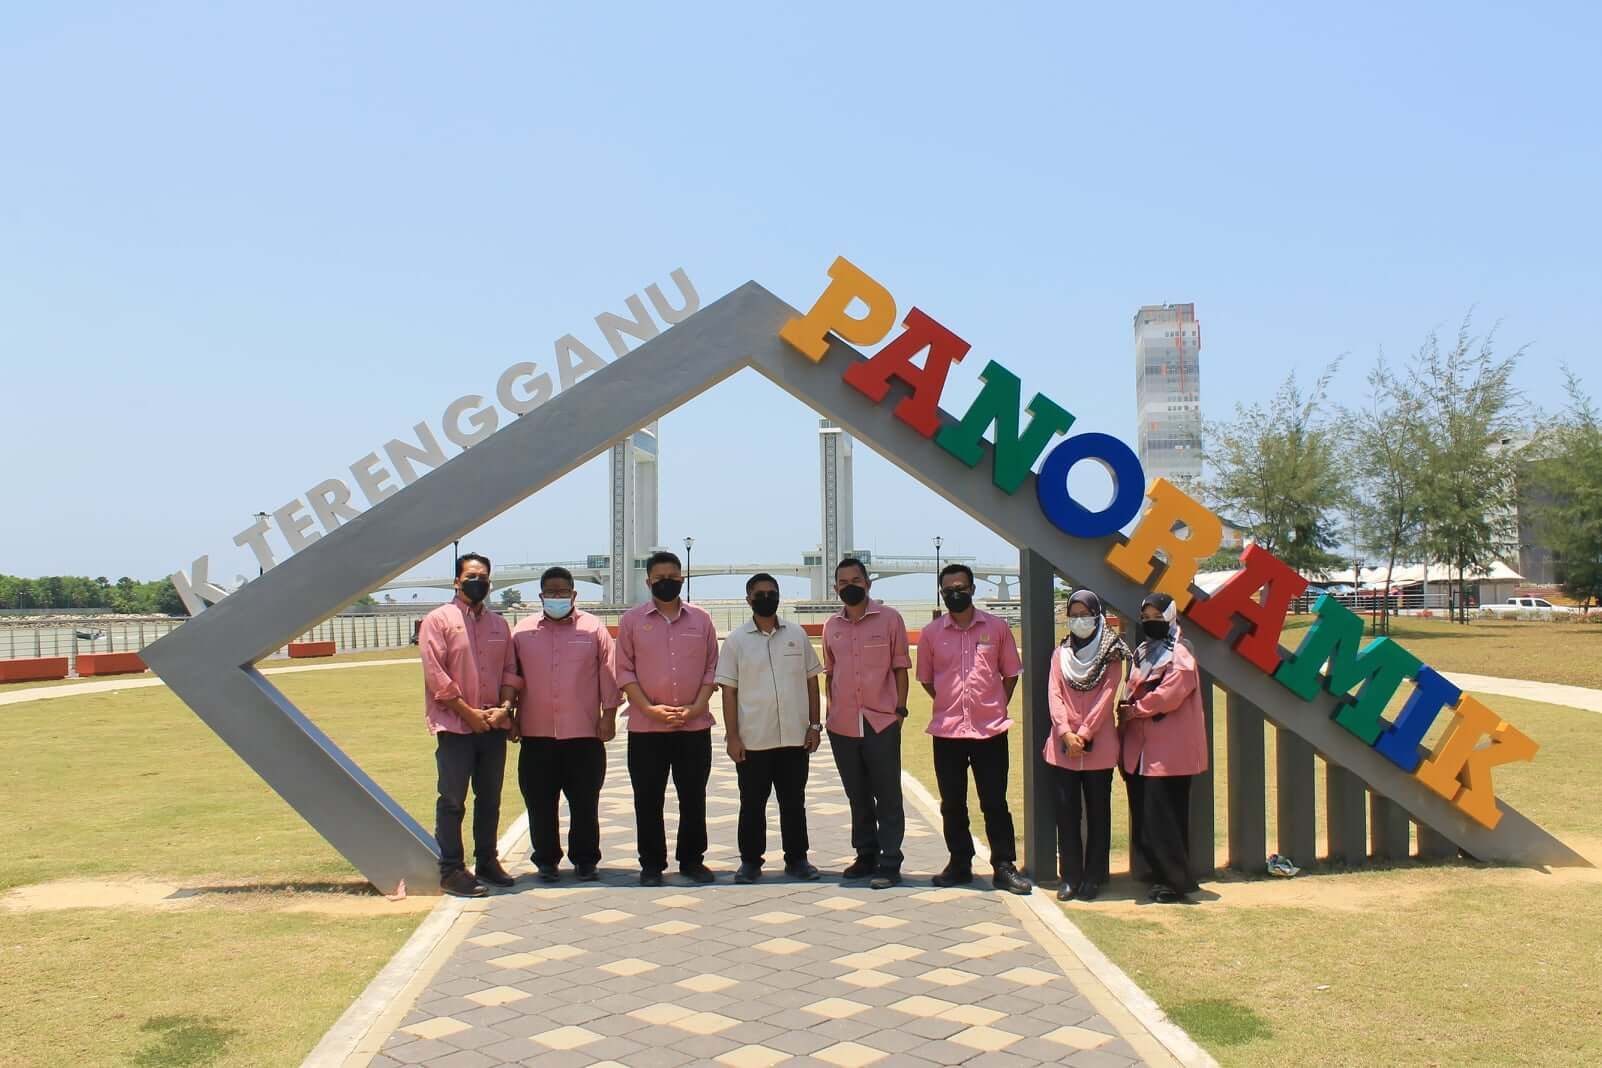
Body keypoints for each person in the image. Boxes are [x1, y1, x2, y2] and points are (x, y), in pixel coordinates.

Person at [917, 563, 1032, 894]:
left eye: (961, 588)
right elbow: (927, 679)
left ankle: (1004, 865)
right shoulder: (931, 634)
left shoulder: (996, 628)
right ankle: (959, 863)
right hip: (948, 732)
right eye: (949, 590)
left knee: (994, 801)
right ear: (942, 593)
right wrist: (950, 703)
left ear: (972, 590)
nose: (955, 594)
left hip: (990, 730)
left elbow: (1010, 674)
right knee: (952, 803)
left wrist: (994, 704)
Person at [417, 552, 519, 898]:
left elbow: (510, 671)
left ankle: (487, 861)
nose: (478, 582)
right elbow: (436, 676)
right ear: (456, 582)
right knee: (452, 799)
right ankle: (451, 870)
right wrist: (469, 713)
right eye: (471, 576)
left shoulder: (499, 625)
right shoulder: (438, 620)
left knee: (489, 798)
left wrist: (504, 709)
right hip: (455, 726)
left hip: (492, 725)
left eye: (483, 577)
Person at [508, 566, 619, 883]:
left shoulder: (593, 629)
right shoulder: (522, 632)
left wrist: (609, 715)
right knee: (539, 802)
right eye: (551, 592)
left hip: (584, 733)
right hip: (536, 733)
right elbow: (511, 676)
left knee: (585, 802)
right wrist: (510, 717)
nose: (557, 597)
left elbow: (609, 674)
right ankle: (546, 860)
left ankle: (585, 860)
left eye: (563, 592)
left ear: (574, 594)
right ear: (541, 595)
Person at [616, 550, 720, 886]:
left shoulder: (701, 619)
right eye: (659, 579)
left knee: (693, 797)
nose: (667, 583)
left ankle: (692, 860)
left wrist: (696, 707)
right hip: (646, 727)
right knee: (648, 798)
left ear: (682, 579)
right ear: (648, 582)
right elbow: (624, 671)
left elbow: (712, 668)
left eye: (672, 578)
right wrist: (649, 708)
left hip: (694, 725)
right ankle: (651, 864)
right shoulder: (631, 621)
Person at [715, 573, 823, 884]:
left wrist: (815, 726)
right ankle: (750, 862)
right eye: (759, 594)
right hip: (754, 739)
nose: (766, 598)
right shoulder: (736, 641)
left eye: (771, 592)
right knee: (752, 804)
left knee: (793, 802)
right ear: (748, 600)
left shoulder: (796, 634)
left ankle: (797, 859)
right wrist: (732, 736)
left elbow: (812, 681)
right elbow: (729, 692)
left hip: (794, 737)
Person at [822, 556, 910, 889]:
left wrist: (899, 711)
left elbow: (900, 667)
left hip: (881, 721)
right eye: (843, 583)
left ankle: (890, 861)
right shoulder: (832, 626)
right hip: (843, 724)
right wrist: (831, 712)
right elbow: (830, 673)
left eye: (856, 581)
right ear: (836, 588)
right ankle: (865, 855)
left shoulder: (890, 619)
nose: (850, 587)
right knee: (857, 795)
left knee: (887, 795)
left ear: (868, 583)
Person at [1119, 592, 1208, 904]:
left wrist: (1136, 709)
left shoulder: (1180, 652)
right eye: (1146, 618)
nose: (1150, 623)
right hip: (1140, 750)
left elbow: (1171, 694)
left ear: (1170, 616)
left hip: (1169, 752)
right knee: (1146, 814)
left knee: (1166, 816)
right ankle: (1153, 875)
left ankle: (1173, 881)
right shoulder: (1144, 651)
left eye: (1157, 617)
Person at [1046, 589, 1129, 903]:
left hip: (1100, 747)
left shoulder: (1112, 653)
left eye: (1086, 614)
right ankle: (1070, 877)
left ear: (1098, 616)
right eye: (1074, 615)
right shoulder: (1060, 654)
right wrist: (1066, 733)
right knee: (1066, 816)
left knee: (1098, 815)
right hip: (1062, 749)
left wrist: (1084, 733)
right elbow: (1054, 694)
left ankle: (1094, 876)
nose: (1080, 620)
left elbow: (1108, 695)